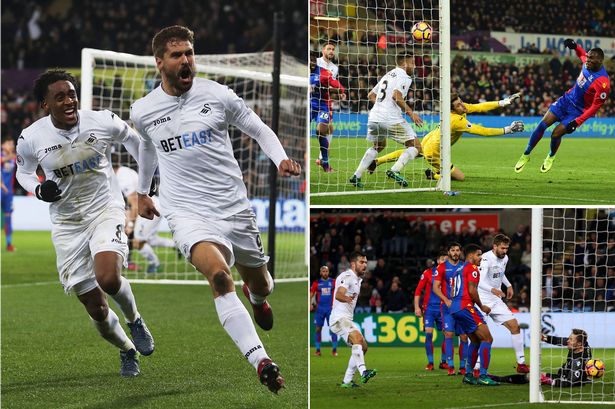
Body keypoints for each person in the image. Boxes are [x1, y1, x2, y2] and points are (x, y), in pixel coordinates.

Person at [131, 26, 301, 394]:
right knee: (221, 279)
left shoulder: (217, 95)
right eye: (177, 55)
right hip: (187, 211)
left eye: (190, 53)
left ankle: (257, 298)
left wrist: (281, 158)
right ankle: (262, 361)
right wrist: (143, 192)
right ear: (160, 62)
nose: (186, 60)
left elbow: (259, 129)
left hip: (234, 208)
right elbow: (147, 148)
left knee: (260, 282)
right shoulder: (143, 111)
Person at [15, 69, 154, 377]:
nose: (69, 101)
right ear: (45, 105)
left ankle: (135, 320)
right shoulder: (31, 137)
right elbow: (23, 172)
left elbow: (134, 139)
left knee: (108, 277)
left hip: (105, 209)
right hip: (67, 224)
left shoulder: (101, 120)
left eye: (72, 94)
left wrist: (146, 182)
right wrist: (37, 188)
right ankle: (127, 349)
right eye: (60, 96)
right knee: (96, 309)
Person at [368, 92, 524, 181]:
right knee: (460, 177)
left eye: (462, 102)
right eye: (459, 105)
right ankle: (434, 174)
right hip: (434, 151)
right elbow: (482, 131)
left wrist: (503, 102)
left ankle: (377, 161)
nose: (463, 106)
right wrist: (508, 129)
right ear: (453, 109)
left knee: (414, 151)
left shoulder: (459, 110)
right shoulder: (456, 121)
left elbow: (480, 106)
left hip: (432, 137)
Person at [515, 40, 611, 173]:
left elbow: (595, 107)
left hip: (577, 112)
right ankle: (526, 154)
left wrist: (577, 122)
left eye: (591, 59)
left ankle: (550, 156)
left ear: (600, 61)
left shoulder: (603, 83)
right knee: (542, 125)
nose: (587, 60)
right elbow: (581, 54)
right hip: (565, 101)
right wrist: (575, 46)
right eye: (588, 57)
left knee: (555, 134)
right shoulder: (587, 63)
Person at [349, 52, 423, 188]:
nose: (414, 66)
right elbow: (397, 95)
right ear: (405, 63)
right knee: (416, 146)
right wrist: (411, 114)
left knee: (379, 146)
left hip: (374, 117)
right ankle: (394, 170)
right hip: (391, 118)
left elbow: (371, 94)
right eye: (412, 62)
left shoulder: (388, 74)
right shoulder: (404, 76)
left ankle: (356, 176)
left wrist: (381, 106)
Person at [446, 244, 498, 386]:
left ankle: (468, 374)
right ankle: (483, 375)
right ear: (470, 256)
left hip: (455, 308)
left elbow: (451, 292)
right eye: (478, 255)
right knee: (487, 339)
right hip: (465, 307)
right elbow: (472, 290)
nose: (481, 258)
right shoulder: (473, 268)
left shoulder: (458, 270)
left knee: (475, 341)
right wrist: (482, 306)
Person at [478, 234, 529, 373]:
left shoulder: (504, 258)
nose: (505, 251)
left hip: (496, 299)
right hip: (482, 300)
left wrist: (509, 285)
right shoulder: (485, 259)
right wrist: (493, 289)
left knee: (514, 326)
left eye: (507, 248)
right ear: (494, 246)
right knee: (481, 335)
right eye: (502, 248)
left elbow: (500, 274)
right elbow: (479, 281)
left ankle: (521, 364)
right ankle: (476, 367)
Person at [113, 162, 176, 273]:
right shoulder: (125, 171)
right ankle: (176, 245)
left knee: (137, 241)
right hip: (152, 204)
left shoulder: (122, 177)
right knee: (150, 240)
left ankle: (155, 265)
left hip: (148, 208)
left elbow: (134, 202)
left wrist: (131, 224)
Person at [329, 251, 377, 388]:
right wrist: (346, 298)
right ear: (353, 264)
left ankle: (347, 381)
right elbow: (339, 294)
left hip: (346, 319)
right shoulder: (347, 276)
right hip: (339, 318)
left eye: (366, 262)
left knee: (363, 347)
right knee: (357, 339)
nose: (365, 265)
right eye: (361, 262)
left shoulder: (357, 279)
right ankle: (363, 372)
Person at [488, 329, 592, 387]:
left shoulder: (579, 361)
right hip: (564, 374)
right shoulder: (580, 345)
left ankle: (497, 379)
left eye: (571, 339)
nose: (567, 341)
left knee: (531, 377)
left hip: (565, 378)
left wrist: (549, 381)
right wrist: (543, 337)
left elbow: (572, 382)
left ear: (579, 344)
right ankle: (497, 378)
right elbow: (558, 340)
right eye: (569, 338)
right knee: (534, 374)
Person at [432, 242, 469, 375]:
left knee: (464, 336)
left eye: (457, 250)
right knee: (448, 334)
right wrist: (446, 299)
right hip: (447, 307)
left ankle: (463, 367)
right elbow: (435, 287)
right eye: (452, 250)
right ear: (448, 252)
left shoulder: (465, 266)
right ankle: (451, 365)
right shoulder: (441, 267)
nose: (455, 253)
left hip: (462, 306)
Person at [310, 51, 346, 173]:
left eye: (313, 60)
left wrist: (341, 90)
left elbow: (333, 82)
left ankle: (325, 163)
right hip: (308, 106)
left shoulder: (323, 72)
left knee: (321, 131)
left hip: (322, 106)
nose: (311, 63)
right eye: (309, 60)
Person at [414, 252, 449, 370]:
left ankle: (443, 361)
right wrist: (417, 307)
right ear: (438, 260)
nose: (445, 261)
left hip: (443, 308)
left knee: (447, 335)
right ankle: (430, 363)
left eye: (447, 259)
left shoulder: (450, 274)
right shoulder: (428, 273)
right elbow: (418, 291)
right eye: (443, 259)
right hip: (429, 309)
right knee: (428, 334)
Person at [310, 265, 339, 356]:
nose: (325, 273)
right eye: (323, 271)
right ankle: (318, 350)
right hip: (320, 309)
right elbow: (311, 295)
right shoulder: (316, 283)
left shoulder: (334, 282)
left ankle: (334, 350)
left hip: (330, 309)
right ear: (320, 273)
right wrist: (310, 304)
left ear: (328, 272)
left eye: (326, 271)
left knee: (333, 329)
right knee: (318, 329)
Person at [1, 138, 17, 251]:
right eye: (9, 143)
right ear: (3, 145)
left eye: (12, 143)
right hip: (1, 189)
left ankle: (9, 244)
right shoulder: (3, 156)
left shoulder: (13, 158)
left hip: (9, 192)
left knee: (8, 218)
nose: (11, 145)